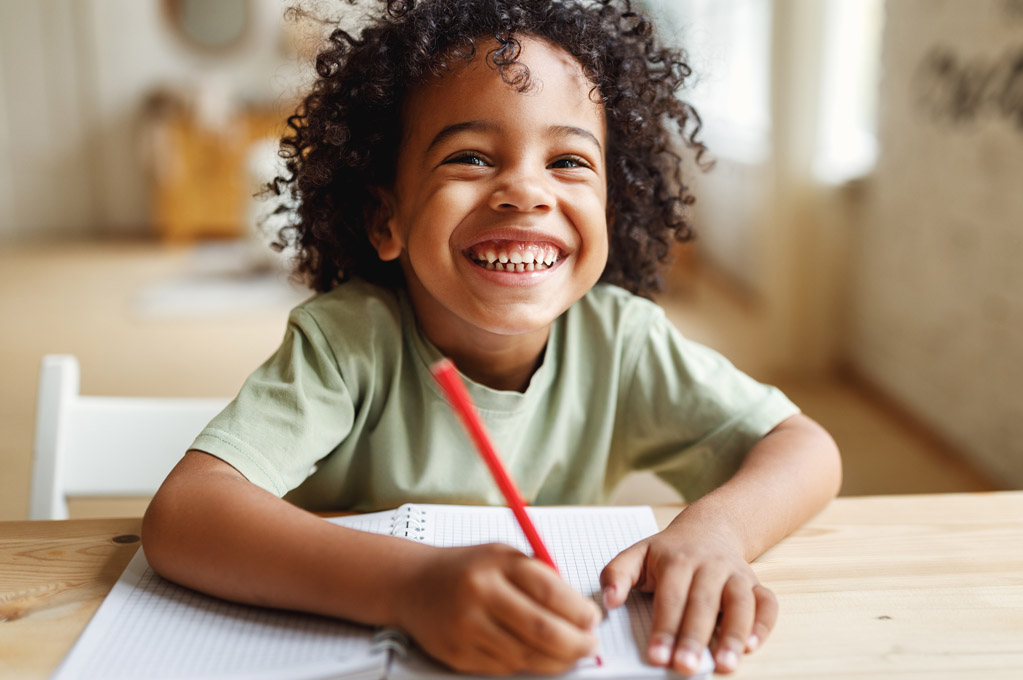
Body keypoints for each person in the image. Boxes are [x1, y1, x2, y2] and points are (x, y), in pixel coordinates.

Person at [142, 0, 841, 675]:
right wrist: (407, 587)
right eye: (471, 158)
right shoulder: (347, 344)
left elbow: (804, 447)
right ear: (386, 217)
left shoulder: (622, 341)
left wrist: (716, 532)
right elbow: (185, 515)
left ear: (610, 203)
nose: (525, 191)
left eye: (569, 162)